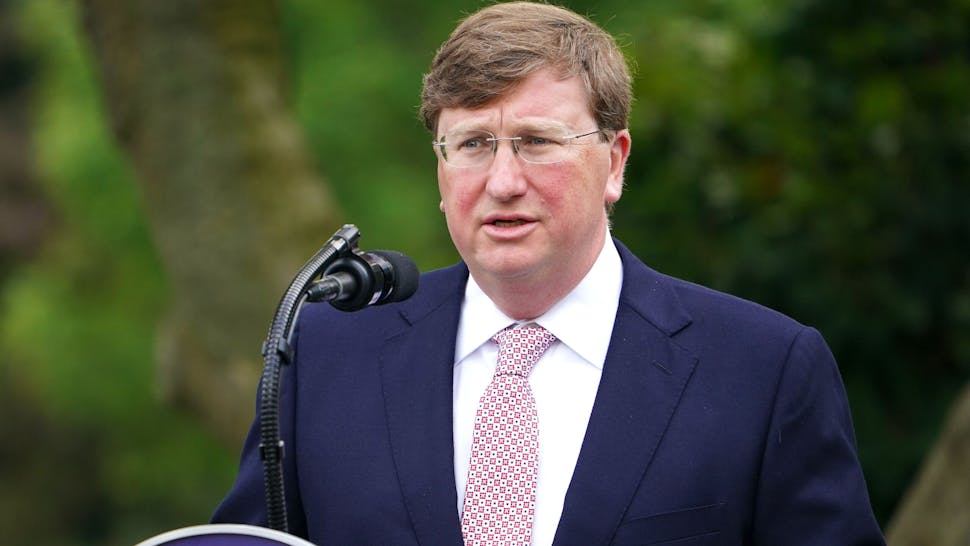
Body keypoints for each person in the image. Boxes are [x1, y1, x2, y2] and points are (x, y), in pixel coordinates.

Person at [212, 2, 885, 544]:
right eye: (473, 144)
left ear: (614, 162)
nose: (503, 181)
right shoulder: (328, 353)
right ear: (440, 171)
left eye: (536, 142)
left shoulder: (762, 370)